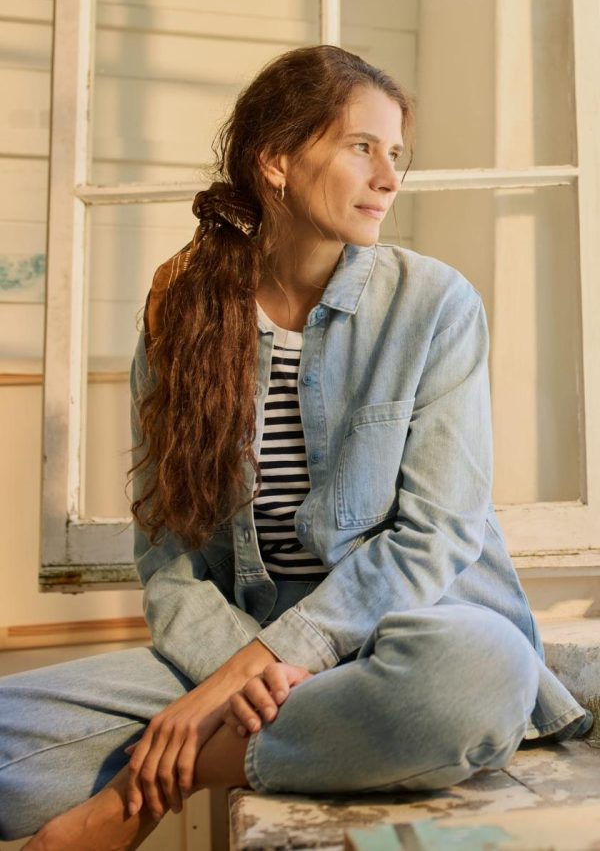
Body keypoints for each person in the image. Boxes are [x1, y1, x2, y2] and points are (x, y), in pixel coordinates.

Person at [0, 44, 593, 849]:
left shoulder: (434, 304)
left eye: (395, 154)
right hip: (241, 648)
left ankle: (141, 796)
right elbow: (169, 558)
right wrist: (236, 669)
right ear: (276, 160)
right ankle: (290, 734)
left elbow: (436, 537)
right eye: (362, 147)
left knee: (477, 677)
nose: (388, 178)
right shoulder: (180, 311)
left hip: (406, 637)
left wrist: (263, 668)